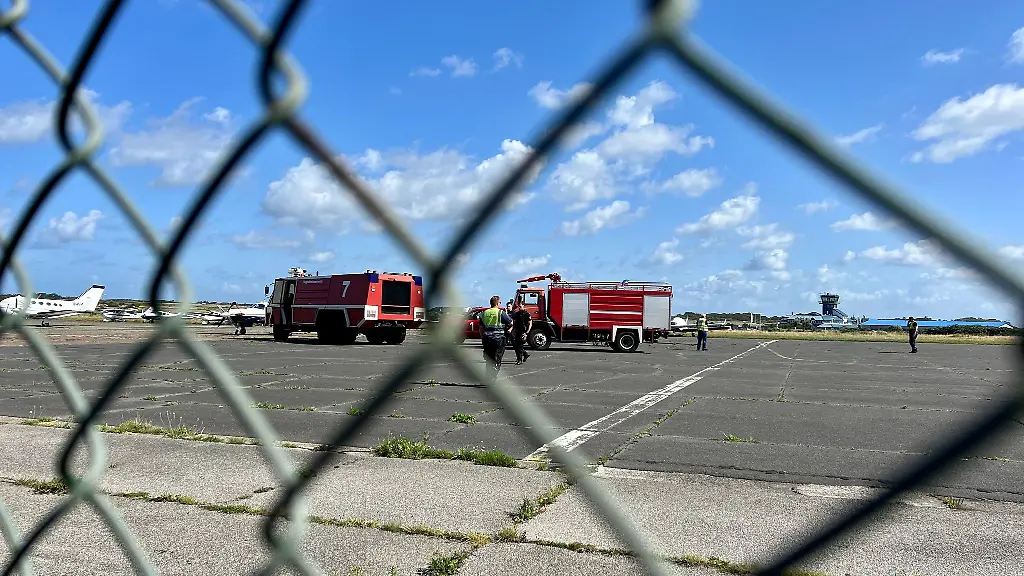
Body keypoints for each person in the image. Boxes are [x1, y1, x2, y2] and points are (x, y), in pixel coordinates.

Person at [481, 295, 514, 380]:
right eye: (500, 302)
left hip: (487, 339)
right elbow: (511, 322)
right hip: (498, 339)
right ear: (497, 303)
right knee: (497, 359)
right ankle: (493, 376)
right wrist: (508, 328)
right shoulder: (500, 312)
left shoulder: (484, 313)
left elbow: (481, 328)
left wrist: (483, 338)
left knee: (488, 360)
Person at [510, 299, 532, 365]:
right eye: (519, 306)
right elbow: (513, 322)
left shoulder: (527, 314)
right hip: (517, 331)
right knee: (516, 346)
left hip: (523, 331)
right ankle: (525, 354)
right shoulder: (517, 314)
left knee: (519, 345)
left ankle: (520, 359)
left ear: (523, 306)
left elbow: (530, 324)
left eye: (521, 306)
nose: (519, 307)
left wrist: (527, 333)